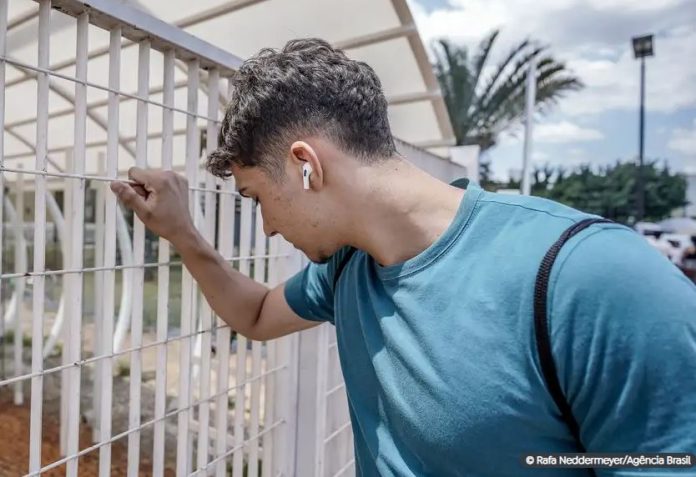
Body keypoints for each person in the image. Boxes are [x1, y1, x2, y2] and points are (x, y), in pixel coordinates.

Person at [110, 38, 696, 476]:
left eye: (258, 197)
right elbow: (258, 315)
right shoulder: (348, 266)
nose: (266, 227)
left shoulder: (593, 277)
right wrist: (183, 234)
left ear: (305, 165)